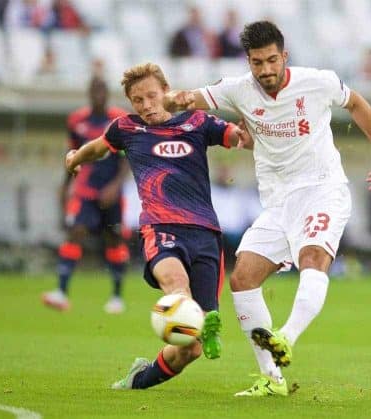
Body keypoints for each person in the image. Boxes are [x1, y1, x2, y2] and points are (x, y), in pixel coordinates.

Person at [165, 20, 371, 396]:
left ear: (284, 56)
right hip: (278, 203)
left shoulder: (317, 82)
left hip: (322, 190)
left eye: (272, 60)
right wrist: (164, 99)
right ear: (248, 61)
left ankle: (285, 336)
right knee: (242, 279)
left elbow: (356, 103)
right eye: (257, 63)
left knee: (314, 258)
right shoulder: (238, 89)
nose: (266, 70)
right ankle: (272, 379)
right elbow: (190, 98)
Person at [63, 63, 251, 390]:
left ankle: (139, 380)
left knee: (190, 348)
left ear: (166, 90)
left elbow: (237, 138)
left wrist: (246, 131)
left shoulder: (197, 122)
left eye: (151, 96)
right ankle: (189, 311)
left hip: (205, 232)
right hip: (160, 227)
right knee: (177, 284)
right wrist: (76, 158)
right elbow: (98, 147)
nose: (146, 105)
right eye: (137, 100)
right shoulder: (126, 129)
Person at [42, 77, 130, 314]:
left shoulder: (119, 119)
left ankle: (117, 295)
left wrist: (115, 186)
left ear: (107, 93)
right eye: (94, 90)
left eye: (102, 90)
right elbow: (73, 154)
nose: (98, 94)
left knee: (114, 238)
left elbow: (126, 160)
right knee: (76, 232)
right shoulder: (76, 120)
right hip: (85, 191)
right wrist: (65, 184)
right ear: (89, 93)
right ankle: (61, 292)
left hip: (111, 192)